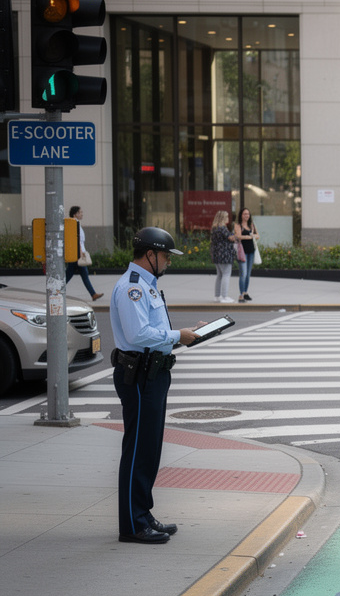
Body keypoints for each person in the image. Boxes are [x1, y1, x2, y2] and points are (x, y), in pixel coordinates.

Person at [109, 227, 201, 543]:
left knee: (149, 449)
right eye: (165, 256)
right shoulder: (132, 288)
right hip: (139, 375)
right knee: (137, 449)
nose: (168, 262)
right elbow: (138, 336)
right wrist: (178, 336)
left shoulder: (147, 286)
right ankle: (132, 525)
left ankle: (142, 513)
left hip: (154, 373)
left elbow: (155, 332)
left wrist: (187, 334)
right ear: (151, 255)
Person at [64, 205, 102, 301]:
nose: (82, 214)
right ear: (75, 214)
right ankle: (93, 294)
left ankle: (93, 294)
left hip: (78, 252)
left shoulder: (76, 223)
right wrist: (80, 253)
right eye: (80, 212)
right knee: (75, 274)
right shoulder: (73, 223)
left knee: (71, 274)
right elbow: (76, 239)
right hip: (77, 254)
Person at [208, 210, 238, 303]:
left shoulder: (214, 228)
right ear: (223, 218)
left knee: (219, 275)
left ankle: (217, 296)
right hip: (224, 254)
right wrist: (236, 234)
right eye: (227, 217)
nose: (228, 218)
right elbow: (231, 238)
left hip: (217, 254)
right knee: (226, 274)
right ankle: (224, 296)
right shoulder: (222, 228)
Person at [233, 207, 258, 302]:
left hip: (251, 252)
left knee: (248, 274)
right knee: (243, 274)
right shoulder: (238, 225)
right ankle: (241, 294)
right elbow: (238, 236)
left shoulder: (251, 225)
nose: (246, 216)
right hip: (242, 252)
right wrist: (249, 236)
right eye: (244, 214)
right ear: (241, 215)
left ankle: (245, 292)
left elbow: (257, 235)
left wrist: (252, 236)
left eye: (248, 214)